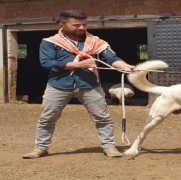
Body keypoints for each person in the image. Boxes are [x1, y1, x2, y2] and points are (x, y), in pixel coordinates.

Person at [23, 10, 136, 159]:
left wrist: (126, 66)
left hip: (89, 84)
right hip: (58, 85)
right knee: (47, 118)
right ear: (62, 25)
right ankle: (41, 148)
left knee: (102, 117)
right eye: (76, 25)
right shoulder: (50, 42)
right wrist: (77, 65)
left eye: (84, 24)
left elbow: (111, 58)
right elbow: (47, 63)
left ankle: (109, 146)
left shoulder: (95, 42)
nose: (82, 28)